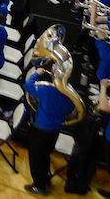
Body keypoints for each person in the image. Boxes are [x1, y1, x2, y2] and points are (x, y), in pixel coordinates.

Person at [23, 60, 78, 195]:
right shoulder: (69, 93)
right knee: (45, 154)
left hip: (41, 128)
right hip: (55, 130)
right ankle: (45, 179)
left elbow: (27, 86)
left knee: (36, 157)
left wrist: (37, 73)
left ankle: (39, 186)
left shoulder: (46, 90)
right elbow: (70, 109)